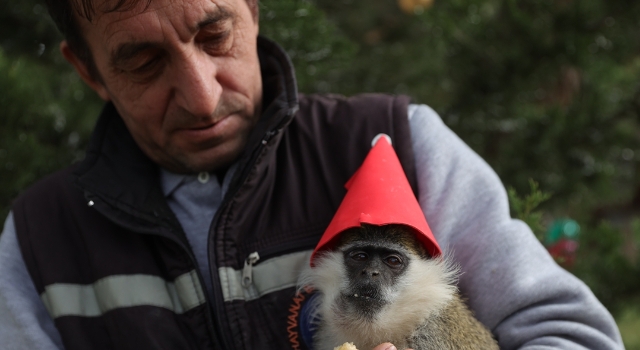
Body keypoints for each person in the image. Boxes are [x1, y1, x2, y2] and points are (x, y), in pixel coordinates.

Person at [0, 0, 625, 348]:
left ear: (252, 7)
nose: (200, 95)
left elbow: (572, 336)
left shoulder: (399, 145)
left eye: (215, 36)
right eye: (142, 62)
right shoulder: (40, 241)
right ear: (87, 70)